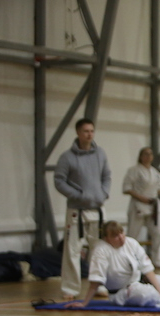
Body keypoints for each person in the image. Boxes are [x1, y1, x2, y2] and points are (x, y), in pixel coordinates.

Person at [64, 221, 160, 309]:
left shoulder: (131, 243)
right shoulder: (100, 251)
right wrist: (85, 303)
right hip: (121, 292)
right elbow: (96, 281)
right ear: (106, 238)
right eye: (115, 236)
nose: (121, 238)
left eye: (121, 233)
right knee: (149, 296)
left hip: (142, 281)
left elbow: (147, 269)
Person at [54, 118, 111, 301]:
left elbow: (107, 176)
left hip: (97, 209)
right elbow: (59, 181)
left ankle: (99, 284)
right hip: (76, 211)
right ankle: (70, 288)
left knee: (99, 249)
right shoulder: (67, 157)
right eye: (86, 131)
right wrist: (77, 195)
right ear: (78, 133)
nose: (89, 134)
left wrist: (103, 193)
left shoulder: (100, 154)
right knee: (72, 250)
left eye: (92, 131)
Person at [123, 147, 160, 269]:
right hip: (138, 204)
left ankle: (158, 259)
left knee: (159, 233)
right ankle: (130, 260)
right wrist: (141, 198)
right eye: (145, 154)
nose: (148, 156)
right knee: (133, 234)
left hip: (153, 205)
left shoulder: (155, 172)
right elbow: (126, 188)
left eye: (150, 154)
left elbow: (157, 189)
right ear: (140, 156)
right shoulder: (134, 170)